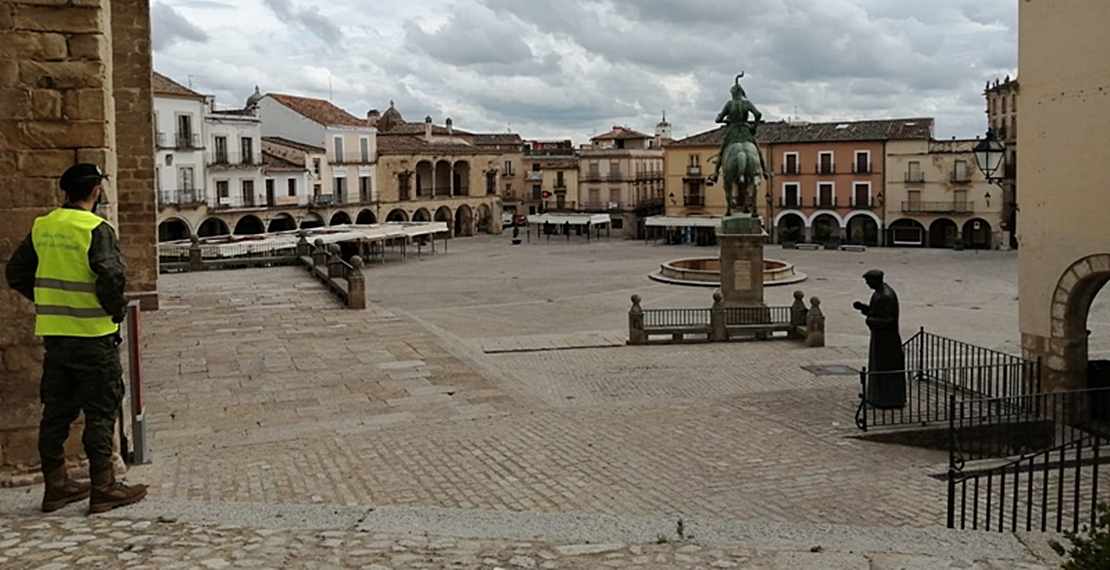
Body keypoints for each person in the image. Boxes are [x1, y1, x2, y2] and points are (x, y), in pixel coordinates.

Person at [5, 163, 147, 514]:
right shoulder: (96, 227)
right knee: (100, 410)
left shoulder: (43, 225)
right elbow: (111, 274)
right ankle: (104, 487)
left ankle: (56, 486)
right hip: (93, 335)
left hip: (56, 335)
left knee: (56, 411)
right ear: (96, 191)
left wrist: (49, 300)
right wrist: (113, 311)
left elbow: (16, 273)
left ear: (66, 192)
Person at [852, 269, 907, 409]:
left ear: (876, 280)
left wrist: (870, 321)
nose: (867, 284)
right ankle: (877, 396)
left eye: (868, 281)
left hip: (887, 341)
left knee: (885, 368)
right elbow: (877, 311)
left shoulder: (887, 296)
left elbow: (889, 321)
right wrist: (864, 308)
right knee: (878, 366)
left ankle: (887, 399)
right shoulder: (879, 293)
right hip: (880, 338)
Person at [706, 73, 770, 186]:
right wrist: (753, 127)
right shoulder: (747, 103)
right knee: (758, 151)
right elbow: (758, 114)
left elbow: (718, 119)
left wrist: (724, 119)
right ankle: (764, 171)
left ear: (734, 93)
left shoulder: (729, 105)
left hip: (733, 131)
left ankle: (715, 174)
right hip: (746, 130)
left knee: (721, 152)